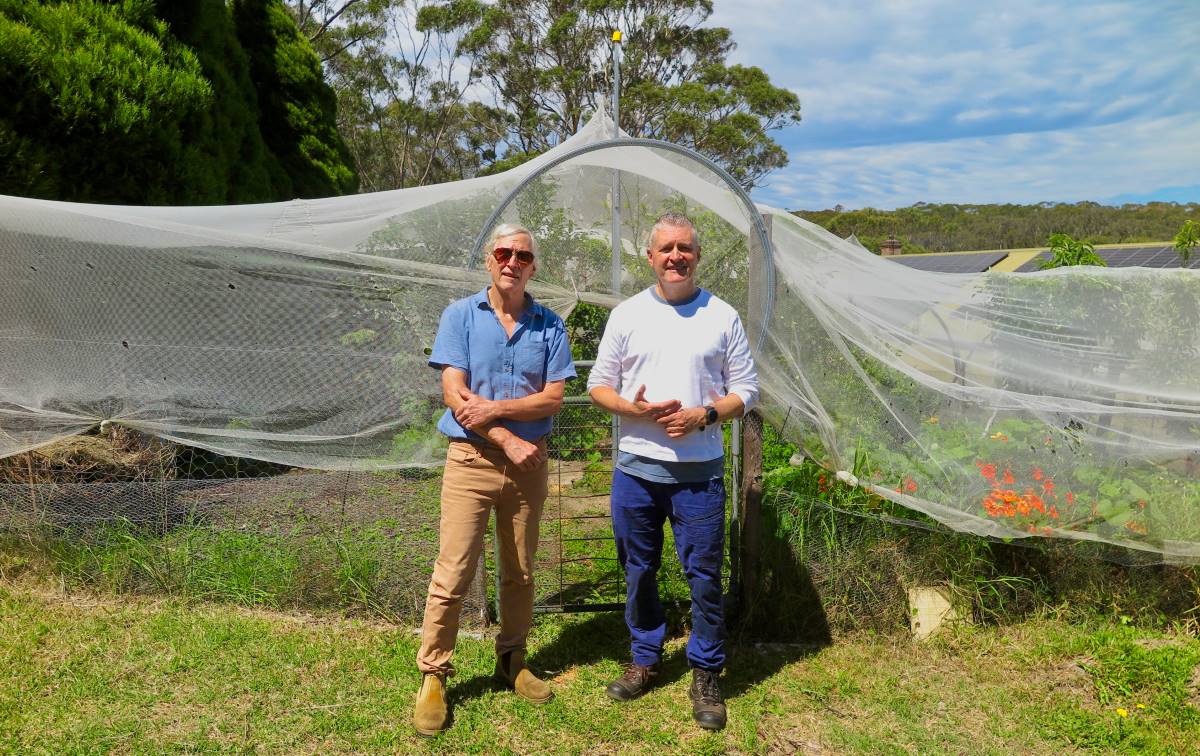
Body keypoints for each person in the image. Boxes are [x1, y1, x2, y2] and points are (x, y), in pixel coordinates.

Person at [586, 212, 758, 731]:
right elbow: (599, 384)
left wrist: (705, 414)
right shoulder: (628, 315)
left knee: (704, 576)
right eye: (665, 249)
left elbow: (745, 390)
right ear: (651, 257)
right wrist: (632, 410)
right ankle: (645, 656)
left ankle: (706, 671)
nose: (675, 257)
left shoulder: (721, 316)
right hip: (636, 470)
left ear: (697, 255)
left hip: (698, 474)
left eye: (684, 248)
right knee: (639, 570)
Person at [413, 223, 575, 736]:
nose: (512, 261)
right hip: (471, 461)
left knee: (521, 570)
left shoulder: (550, 326)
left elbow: (552, 398)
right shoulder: (460, 315)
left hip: (529, 467)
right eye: (503, 252)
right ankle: (434, 674)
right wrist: (506, 436)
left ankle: (512, 659)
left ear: (533, 266)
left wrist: (499, 410)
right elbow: (455, 395)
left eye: (522, 256)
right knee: (454, 571)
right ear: (489, 259)